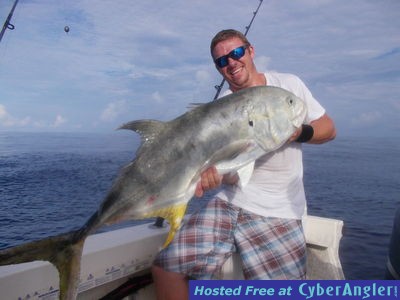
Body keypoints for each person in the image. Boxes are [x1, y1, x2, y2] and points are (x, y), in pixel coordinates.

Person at [151, 29, 336, 299]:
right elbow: (230, 170)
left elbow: (328, 129)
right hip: (229, 203)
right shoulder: (223, 105)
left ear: (251, 51)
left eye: (236, 53)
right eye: (221, 61)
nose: (231, 63)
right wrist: (214, 177)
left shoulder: (288, 86)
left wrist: (299, 133)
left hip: (279, 211)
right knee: (164, 269)